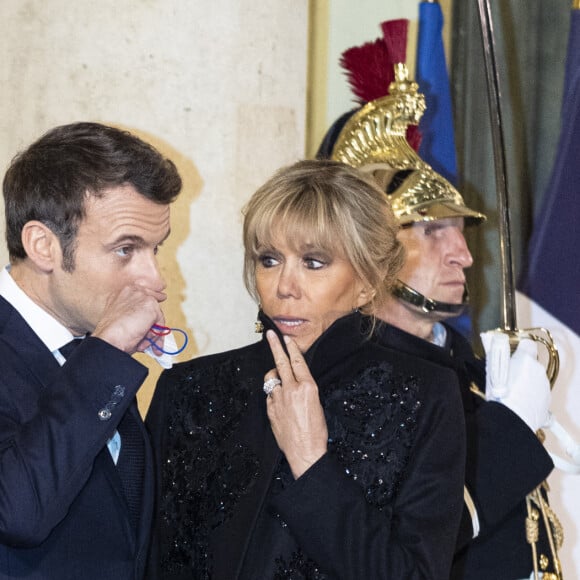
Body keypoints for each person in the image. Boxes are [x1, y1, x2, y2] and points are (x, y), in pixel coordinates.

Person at [146, 159, 466, 579]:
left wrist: (311, 462)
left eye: (314, 262)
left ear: (367, 281)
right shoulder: (188, 390)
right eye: (269, 259)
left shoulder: (425, 394)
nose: (283, 286)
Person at [319, 58, 558, 579]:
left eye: (460, 231)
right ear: (369, 249)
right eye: (431, 231)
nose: (463, 255)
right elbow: (409, 545)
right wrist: (510, 429)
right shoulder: (345, 379)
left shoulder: (464, 368)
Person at [0, 122, 182, 579]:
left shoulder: (91, 347)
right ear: (43, 245)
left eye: (154, 249)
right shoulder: (103, 350)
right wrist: (109, 347)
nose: (154, 280)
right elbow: (17, 510)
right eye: (125, 249)